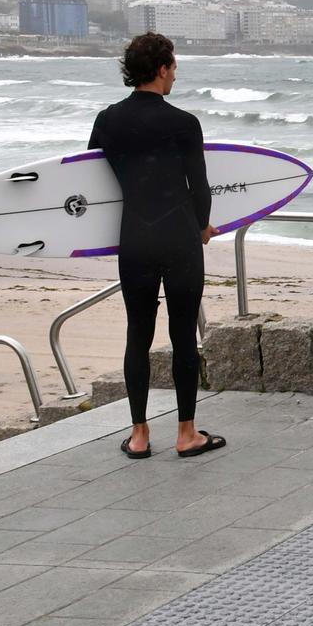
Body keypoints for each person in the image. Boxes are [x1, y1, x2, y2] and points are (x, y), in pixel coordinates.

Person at [87, 32, 225, 459]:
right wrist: (202, 227)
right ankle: (187, 434)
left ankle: (140, 435)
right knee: (183, 334)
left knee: (137, 334)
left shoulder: (108, 120)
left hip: (135, 239)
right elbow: (198, 186)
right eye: (174, 68)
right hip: (180, 237)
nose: (175, 76)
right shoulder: (184, 122)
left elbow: (90, 180)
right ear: (163, 68)